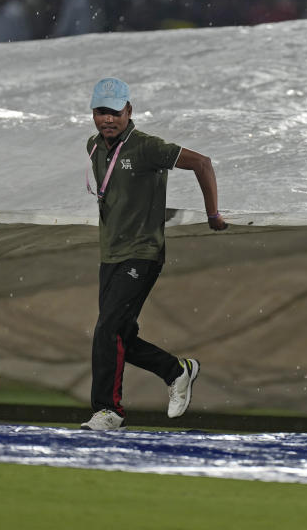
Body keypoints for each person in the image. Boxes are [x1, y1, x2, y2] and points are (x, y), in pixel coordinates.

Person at [81, 77, 227, 431]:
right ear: (93, 114)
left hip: (143, 253)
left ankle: (108, 410)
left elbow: (203, 163)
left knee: (106, 331)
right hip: (111, 254)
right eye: (101, 112)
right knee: (118, 337)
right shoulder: (93, 146)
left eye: (115, 113)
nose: (108, 120)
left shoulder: (146, 147)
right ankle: (176, 370)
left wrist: (212, 213)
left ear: (129, 111)